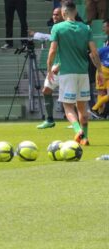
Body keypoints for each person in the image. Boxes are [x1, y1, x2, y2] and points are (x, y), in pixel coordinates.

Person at [47, 0, 103, 146]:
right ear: (76, 12)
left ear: (63, 13)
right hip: (83, 74)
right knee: (83, 108)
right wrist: (100, 71)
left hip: (67, 73)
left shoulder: (57, 28)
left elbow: (52, 51)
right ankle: (85, 138)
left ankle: (78, 131)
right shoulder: (86, 28)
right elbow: (94, 53)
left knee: (68, 107)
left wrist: (49, 69)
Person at [29, 8, 63, 129]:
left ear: (64, 15)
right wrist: (36, 35)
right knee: (46, 90)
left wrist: (60, 65)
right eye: (54, 14)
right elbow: (48, 38)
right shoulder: (55, 29)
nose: (55, 16)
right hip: (56, 66)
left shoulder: (66, 30)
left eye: (57, 15)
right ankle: (50, 120)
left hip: (65, 66)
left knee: (71, 96)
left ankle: (77, 122)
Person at [90, 45, 109, 118]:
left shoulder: (104, 49)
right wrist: (97, 66)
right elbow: (91, 55)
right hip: (103, 72)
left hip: (104, 71)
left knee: (105, 95)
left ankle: (94, 108)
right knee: (101, 93)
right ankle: (100, 114)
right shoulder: (105, 49)